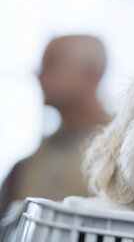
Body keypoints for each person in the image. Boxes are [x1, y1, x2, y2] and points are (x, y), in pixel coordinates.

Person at [0, 35, 109, 217]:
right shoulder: (25, 166)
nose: (38, 74)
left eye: (50, 64)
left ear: (89, 74)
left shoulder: (125, 152)